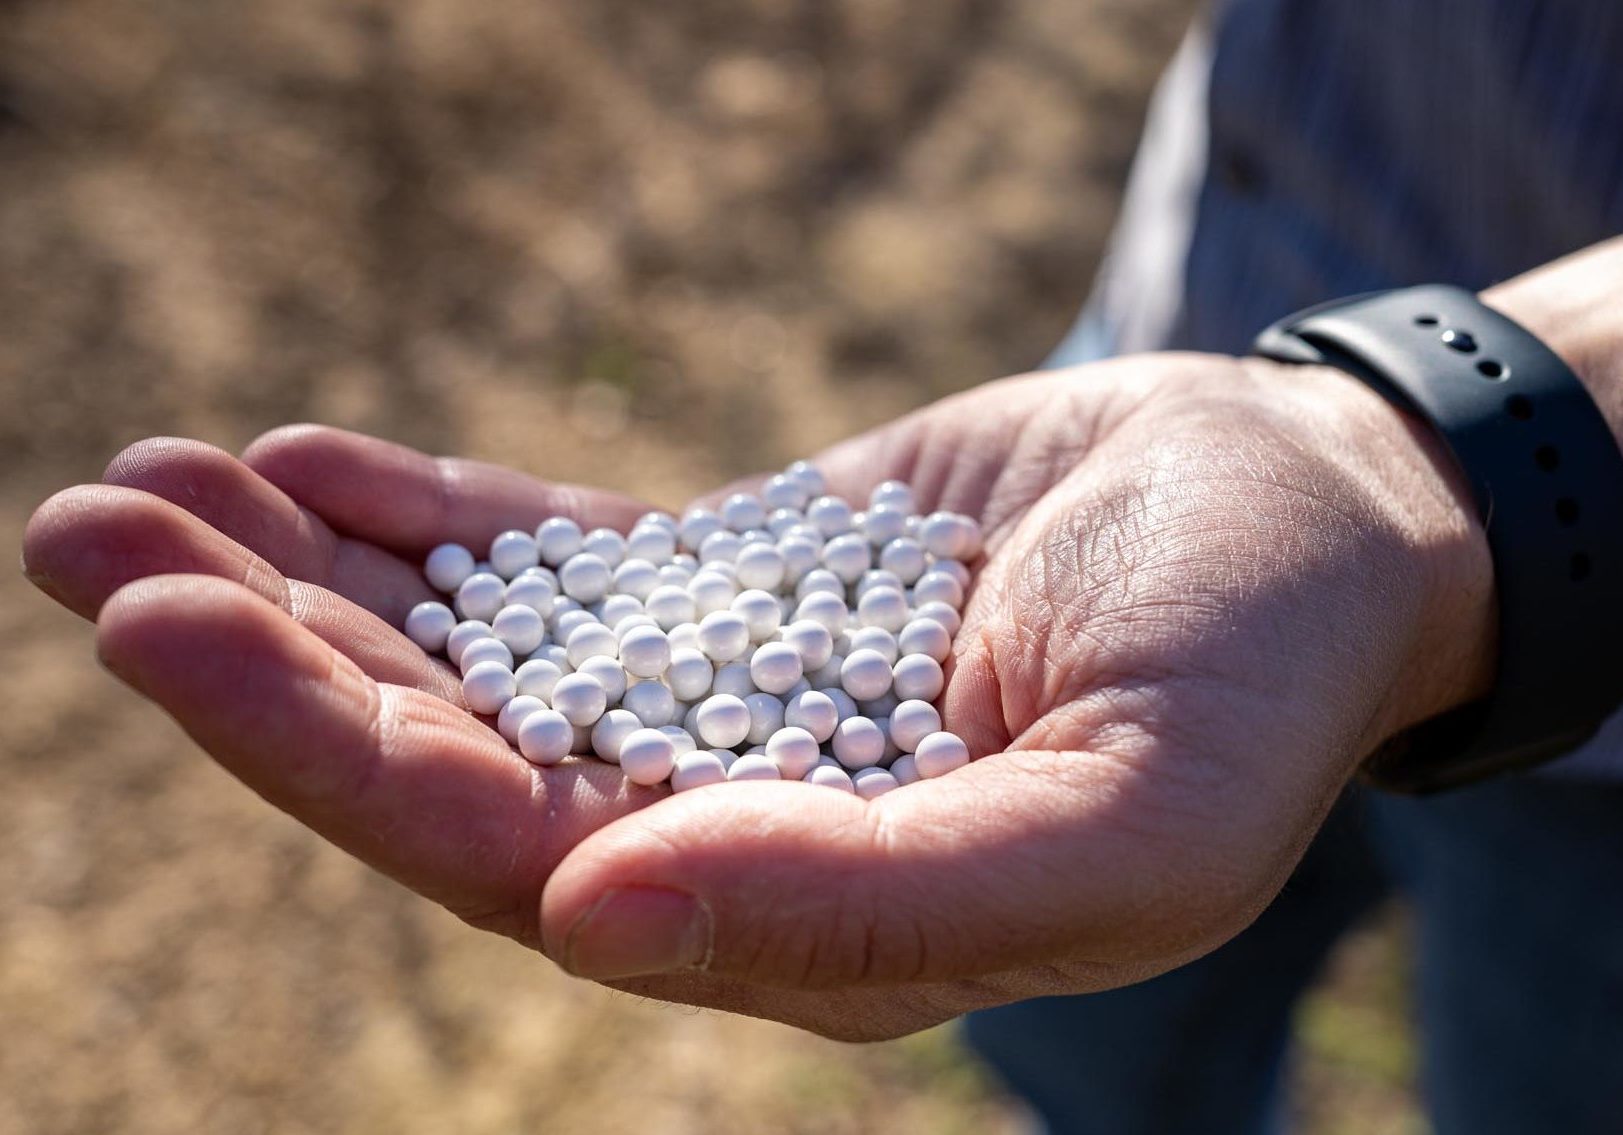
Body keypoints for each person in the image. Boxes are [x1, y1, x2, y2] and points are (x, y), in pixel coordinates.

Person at [18, 4, 1623, 1134]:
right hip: (1175, 379)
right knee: (1089, 1056)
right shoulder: (964, 564)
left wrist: (1417, 454)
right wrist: (1357, 439)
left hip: (1564, 670)